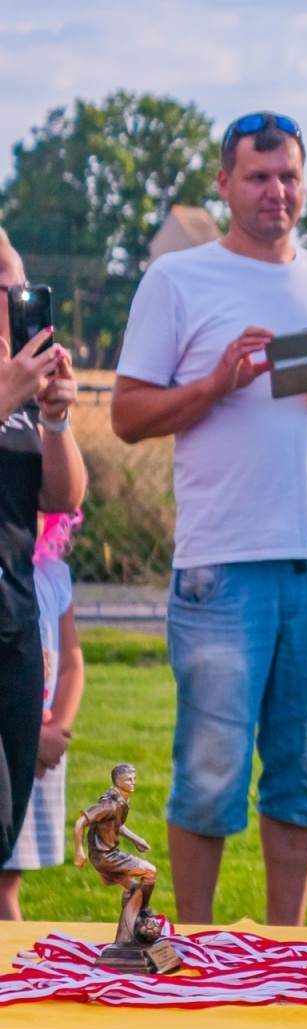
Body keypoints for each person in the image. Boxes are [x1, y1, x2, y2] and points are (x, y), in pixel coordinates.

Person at [110, 111, 307, 926]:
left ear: (306, 184)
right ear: (225, 184)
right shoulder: (178, 279)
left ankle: (284, 945)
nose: (277, 191)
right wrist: (216, 384)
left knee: (305, 772)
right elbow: (127, 415)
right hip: (222, 560)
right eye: (259, 176)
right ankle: (191, 946)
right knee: (210, 768)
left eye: (290, 176)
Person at [0, 228, 85, 870]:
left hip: (13, 622)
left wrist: (54, 419)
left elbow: (63, 496)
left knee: (6, 825)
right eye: (4, 287)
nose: (15, 297)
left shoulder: (23, 385)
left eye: (19, 285)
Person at [0, 511, 84, 919]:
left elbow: (71, 662)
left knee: (8, 877)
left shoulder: (53, 574)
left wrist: (57, 732)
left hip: (39, 757)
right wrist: (26, 738)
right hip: (11, 747)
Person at [73, 764, 159, 946]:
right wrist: (79, 851)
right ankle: (144, 912)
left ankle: (127, 937)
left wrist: (137, 840)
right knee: (151, 872)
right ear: (117, 781)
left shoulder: (121, 800)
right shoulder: (109, 803)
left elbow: (116, 825)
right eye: (129, 779)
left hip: (105, 854)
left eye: (134, 777)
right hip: (105, 856)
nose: (133, 782)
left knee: (134, 889)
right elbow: (80, 822)